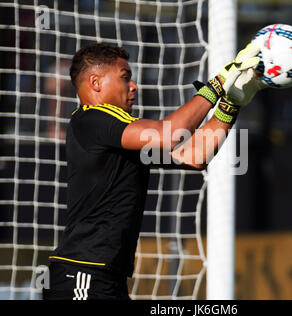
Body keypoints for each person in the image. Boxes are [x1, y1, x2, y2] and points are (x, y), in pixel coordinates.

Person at [42, 42, 263, 300]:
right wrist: (218, 84)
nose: (134, 86)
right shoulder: (90, 119)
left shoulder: (122, 135)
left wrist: (230, 105)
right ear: (95, 83)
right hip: (82, 275)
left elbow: (195, 155)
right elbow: (167, 135)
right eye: (125, 78)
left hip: (106, 277)